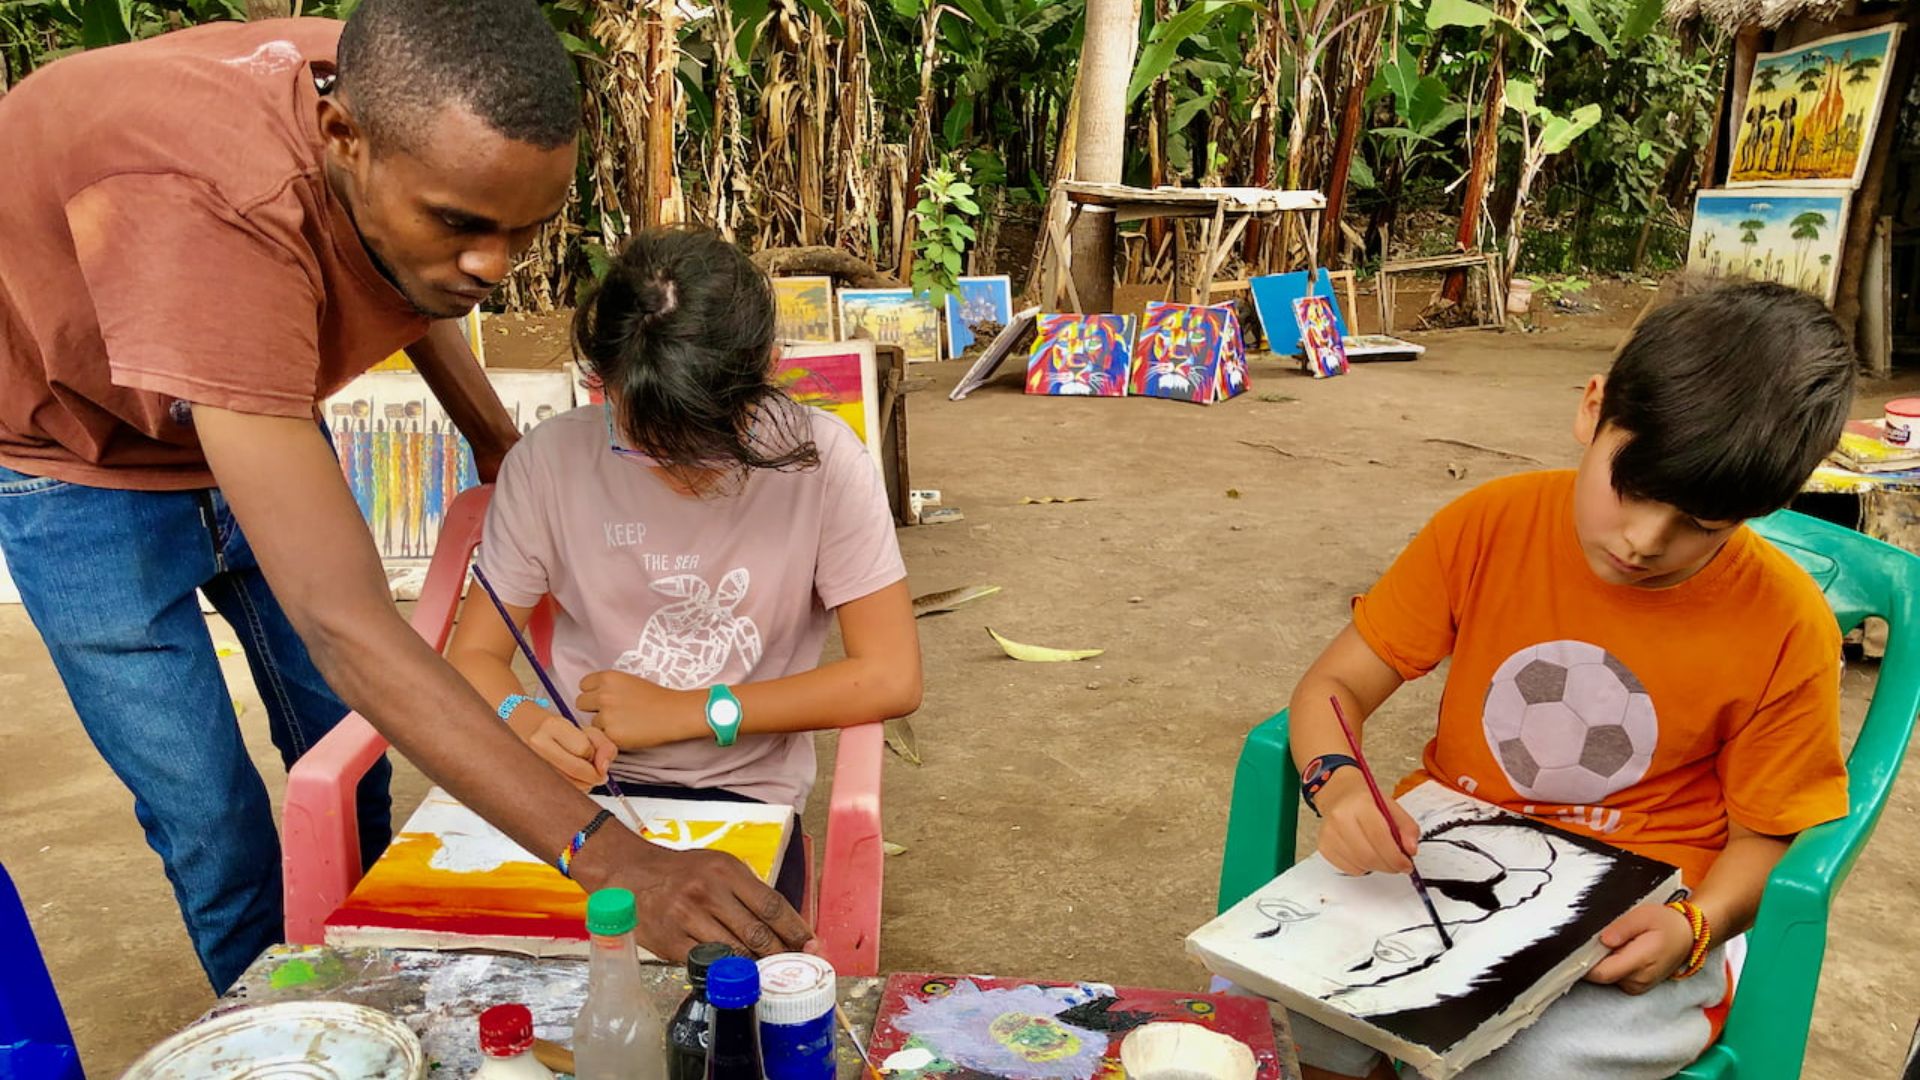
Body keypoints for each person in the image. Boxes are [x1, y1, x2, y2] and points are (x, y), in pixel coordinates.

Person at [0, 0, 812, 994]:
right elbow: (348, 627)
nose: (494, 267)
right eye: (464, 227)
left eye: (527, 231)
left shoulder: (396, 102)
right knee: (212, 815)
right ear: (343, 142)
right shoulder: (221, 213)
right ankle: (286, 1023)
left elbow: (412, 269)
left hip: (244, 395)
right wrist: (615, 860)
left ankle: (369, 974)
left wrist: (493, 437)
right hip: (69, 462)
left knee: (346, 759)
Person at [1281, 281, 1854, 1079]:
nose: (1647, 540)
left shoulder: (1787, 624)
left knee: (1527, 1064)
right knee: (1297, 1014)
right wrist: (1337, 787)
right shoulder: (1486, 527)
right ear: (1593, 410)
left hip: (1634, 924)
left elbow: (1768, 839)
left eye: (1703, 524)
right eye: (1636, 489)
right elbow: (1333, 687)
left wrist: (1697, 926)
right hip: (1444, 864)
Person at [445, 226, 923, 917]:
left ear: (770, 364)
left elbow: (890, 675)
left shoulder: (825, 461)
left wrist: (693, 711)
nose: (681, 475)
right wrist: (522, 718)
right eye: (647, 444)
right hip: (577, 794)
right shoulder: (547, 464)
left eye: (712, 447)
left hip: (744, 799)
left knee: (721, 992)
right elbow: (476, 657)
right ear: (599, 384)